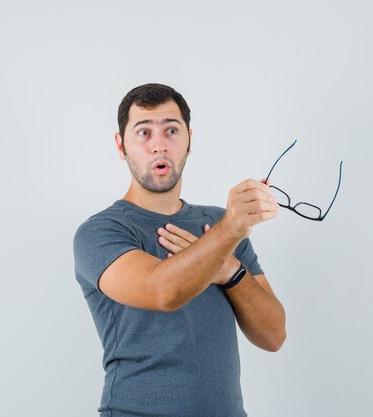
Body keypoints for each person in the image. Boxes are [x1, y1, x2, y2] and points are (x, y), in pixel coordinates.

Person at [73, 83, 286, 417]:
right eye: (144, 132)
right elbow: (162, 292)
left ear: (189, 140)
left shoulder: (218, 223)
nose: (159, 145)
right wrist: (229, 232)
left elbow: (273, 335)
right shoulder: (101, 232)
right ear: (121, 145)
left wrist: (230, 271)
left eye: (171, 131)